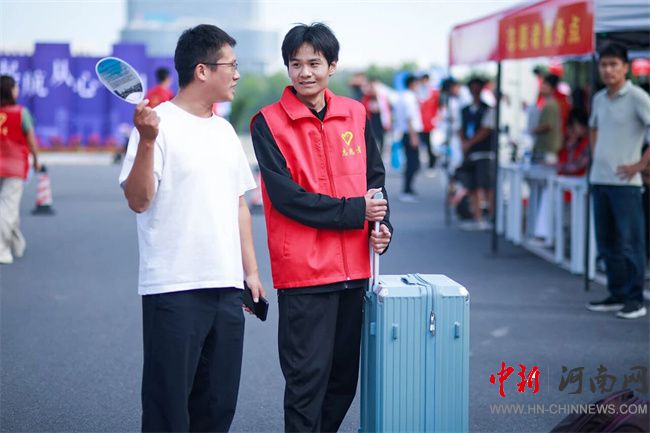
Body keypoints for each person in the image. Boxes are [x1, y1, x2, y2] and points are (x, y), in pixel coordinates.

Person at [118, 24, 266, 431]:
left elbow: (239, 205)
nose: (237, 74)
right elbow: (138, 200)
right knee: (168, 411)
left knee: (217, 409)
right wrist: (148, 141)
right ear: (202, 70)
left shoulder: (224, 131)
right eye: (231, 65)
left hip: (226, 289)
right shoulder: (157, 125)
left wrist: (251, 272)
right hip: (173, 288)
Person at [250, 23, 392, 433]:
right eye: (296, 64)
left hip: (355, 271)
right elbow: (287, 198)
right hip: (305, 275)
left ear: (332, 65)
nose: (305, 72)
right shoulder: (268, 123)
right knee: (306, 382)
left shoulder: (356, 113)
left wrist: (382, 226)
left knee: (342, 382)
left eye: (314, 63)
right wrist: (356, 211)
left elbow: (375, 180)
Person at [586, 42, 650, 320]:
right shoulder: (599, 98)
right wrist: (597, 156)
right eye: (604, 64)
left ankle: (635, 300)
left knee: (630, 243)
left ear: (626, 68)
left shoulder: (637, 97)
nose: (608, 70)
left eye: (614, 64)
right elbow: (593, 128)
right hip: (600, 179)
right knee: (607, 242)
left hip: (626, 183)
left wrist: (640, 164)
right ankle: (618, 293)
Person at [0, 75, 40, 264]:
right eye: (15, 87)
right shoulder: (21, 113)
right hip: (14, 166)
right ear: (10, 91)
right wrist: (36, 160)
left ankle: (16, 244)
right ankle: (2, 249)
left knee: (8, 207)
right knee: (8, 208)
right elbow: (31, 140)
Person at [459, 77, 495, 230]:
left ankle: (490, 217)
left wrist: (469, 143)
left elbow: (486, 130)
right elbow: (461, 128)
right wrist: (464, 144)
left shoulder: (488, 109)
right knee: (472, 186)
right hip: (470, 153)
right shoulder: (465, 110)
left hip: (484, 152)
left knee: (485, 186)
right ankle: (477, 217)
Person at [395, 74, 423, 202]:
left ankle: (409, 189)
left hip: (407, 133)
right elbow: (410, 118)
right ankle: (407, 190)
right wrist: (414, 136)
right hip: (410, 133)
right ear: (412, 84)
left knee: (412, 163)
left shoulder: (403, 97)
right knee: (412, 163)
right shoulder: (409, 98)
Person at [531, 74, 562, 164]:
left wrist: (533, 130)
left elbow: (548, 125)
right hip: (546, 149)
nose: (542, 87)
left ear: (552, 88)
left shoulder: (550, 104)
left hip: (549, 150)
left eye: (546, 85)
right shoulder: (548, 103)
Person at [418, 73, 439, 171]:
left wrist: (436, 118)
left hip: (431, 123)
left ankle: (432, 162)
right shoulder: (418, 92)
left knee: (431, 145)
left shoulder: (434, 93)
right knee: (424, 144)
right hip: (421, 123)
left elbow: (439, 107)